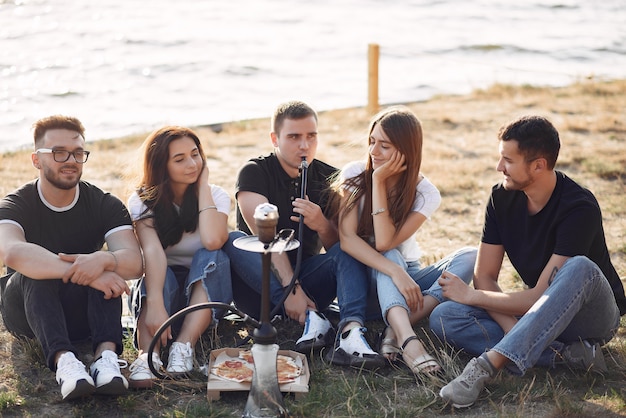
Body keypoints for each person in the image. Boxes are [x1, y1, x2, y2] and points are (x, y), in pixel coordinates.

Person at [432, 115, 626, 408]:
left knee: (579, 267)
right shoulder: (501, 198)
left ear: (538, 165)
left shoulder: (578, 208)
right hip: (539, 313)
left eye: (508, 160)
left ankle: (485, 366)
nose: (499, 168)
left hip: (589, 318)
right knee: (444, 317)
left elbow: (537, 296)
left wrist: (472, 296)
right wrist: (514, 329)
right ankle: (567, 356)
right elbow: (485, 276)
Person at [224, 100, 386, 369]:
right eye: (294, 137)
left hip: (309, 281)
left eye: (311, 136)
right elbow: (264, 238)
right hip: (259, 287)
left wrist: (322, 224)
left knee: (349, 248)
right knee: (233, 240)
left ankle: (350, 333)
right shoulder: (254, 171)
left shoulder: (328, 176)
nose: (304, 145)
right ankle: (311, 317)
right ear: (275, 139)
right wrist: (291, 291)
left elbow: (341, 248)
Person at [0, 115, 143, 401]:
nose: (71, 160)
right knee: (34, 269)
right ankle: (65, 362)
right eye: (59, 152)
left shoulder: (104, 204)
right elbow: (11, 251)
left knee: (107, 268)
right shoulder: (16, 203)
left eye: (78, 153)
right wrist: (92, 269)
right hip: (28, 314)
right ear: (36, 160)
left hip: (83, 318)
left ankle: (106, 359)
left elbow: (134, 262)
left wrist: (103, 262)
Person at [327, 106, 476, 376]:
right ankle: (409, 341)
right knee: (391, 256)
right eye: (371, 142)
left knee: (470, 256)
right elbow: (351, 240)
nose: (373, 151)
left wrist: (400, 271)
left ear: (406, 150)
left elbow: (384, 240)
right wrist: (377, 181)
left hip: (409, 286)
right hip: (367, 282)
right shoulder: (354, 174)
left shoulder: (426, 193)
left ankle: (394, 330)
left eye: (384, 145)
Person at [126, 126, 233, 388]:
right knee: (160, 271)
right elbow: (152, 252)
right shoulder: (142, 200)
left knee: (212, 256)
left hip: (204, 294)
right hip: (162, 288)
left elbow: (212, 241)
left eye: (195, 154)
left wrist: (203, 186)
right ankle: (146, 354)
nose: (192, 163)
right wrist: (155, 304)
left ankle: (184, 346)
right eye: (180, 159)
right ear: (162, 166)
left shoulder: (215, 195)